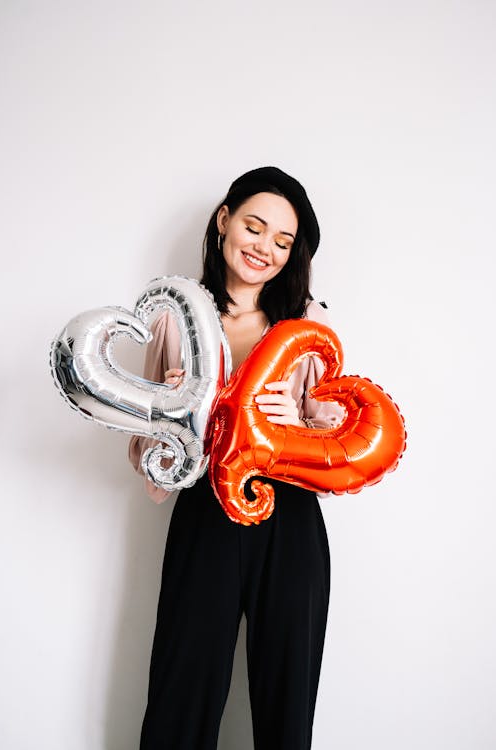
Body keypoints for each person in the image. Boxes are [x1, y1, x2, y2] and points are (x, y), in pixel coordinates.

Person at [129, 166, 344, 750]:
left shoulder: (307, 324)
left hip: (291, 519)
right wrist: (172, 409)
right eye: (255, 227)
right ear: (224, 221)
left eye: (283, 241)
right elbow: (144, 457)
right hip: (206, 516)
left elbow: (335, 448)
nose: (264, 249)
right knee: (182, 691)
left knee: (286, 700)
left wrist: (296, 424)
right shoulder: (176, 319)